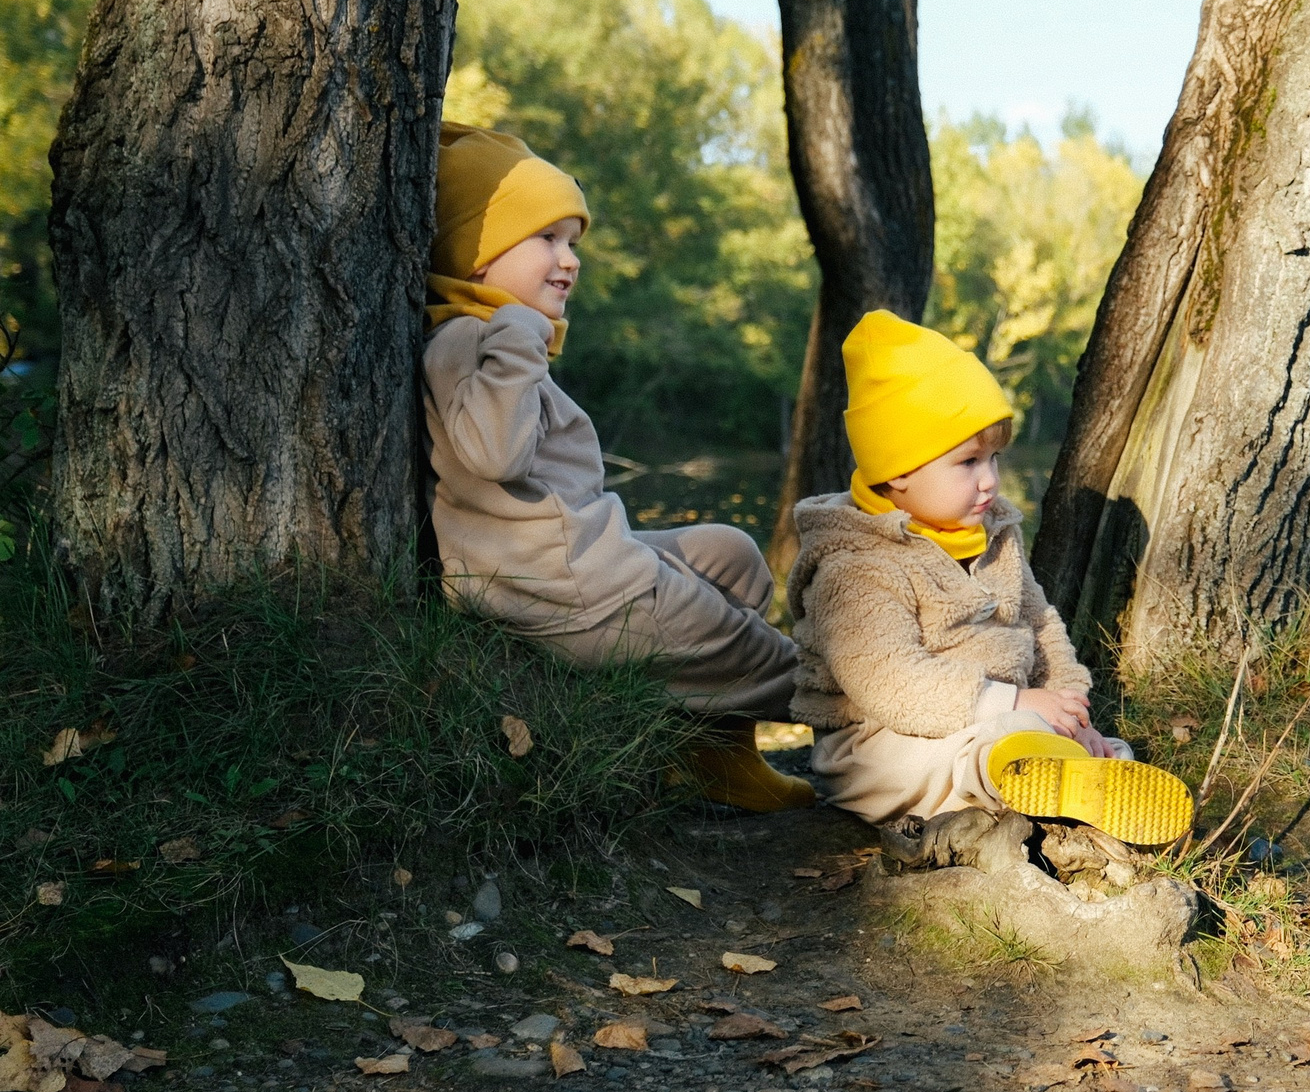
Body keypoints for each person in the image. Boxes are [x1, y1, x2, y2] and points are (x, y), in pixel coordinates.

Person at [420, 121, 812, 812]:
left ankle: (709, 752)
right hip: (566, 587)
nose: (569, 260)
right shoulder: (471, 340)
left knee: (734, 557)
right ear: (477, 254)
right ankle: (912, 741)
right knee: (778, 666)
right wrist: (517, 339)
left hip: (583, 558)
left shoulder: (495, 336)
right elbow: (494, 454)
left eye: (573, 242)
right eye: (545, 238)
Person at [786, 310, 1192, 846]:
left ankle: (1065, 769)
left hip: (990, 718)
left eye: (995, 458)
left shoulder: (995, 532)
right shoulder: (855, 564)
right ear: (898, 470)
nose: (990, 481)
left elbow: (1039, 622)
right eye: (968, 462)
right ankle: (1029, 770)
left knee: (1092, 744)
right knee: (1004, 738)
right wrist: (1013, 705)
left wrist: (1072, 709)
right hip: (880, 745)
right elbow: (891, 682)